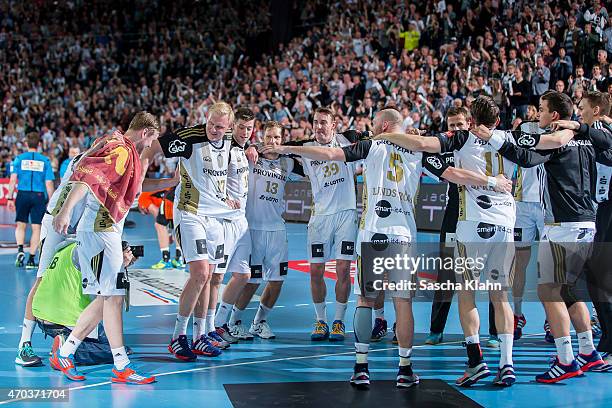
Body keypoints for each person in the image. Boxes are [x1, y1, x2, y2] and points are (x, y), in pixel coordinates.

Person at [261, 108, 512, 389]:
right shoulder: (419, 150)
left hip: (372, 233)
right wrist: (492, 182)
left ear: (382, 126)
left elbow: (331, 155)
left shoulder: (372, 145)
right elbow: (455, 174)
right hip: (403, 235)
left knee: (366, 301)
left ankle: (361, 367)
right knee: (402, 302)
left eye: (373, 124)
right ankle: (405, 369)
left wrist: (284, 147)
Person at [471, 90, 610, 382]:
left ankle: (566, 360)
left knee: (548, 291)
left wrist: (492, 137)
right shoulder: (586, 138)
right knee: (569, 290)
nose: (538, 115)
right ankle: (588, 351)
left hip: (563, 225)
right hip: (588, 221)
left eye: (542, 110)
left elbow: (524, 158)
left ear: (555, 115)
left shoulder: (558, 136)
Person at [49, 112, 171, 384]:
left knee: (106, 297)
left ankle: (66, 352)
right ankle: (121, 365)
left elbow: (136, 187)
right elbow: (86, 179)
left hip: (107, 231)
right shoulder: (120, 151)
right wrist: (66, 211)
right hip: (99, 230)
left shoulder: (123, 149)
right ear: (145, 133)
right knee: (114, 296)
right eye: (152, 139)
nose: (152, 144)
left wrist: (170, 183)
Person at [156, 102, 237, 361]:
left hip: (216, 216)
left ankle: (200, 335)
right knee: (200, 273)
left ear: (229, 128)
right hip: (190, 212)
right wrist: (138, 178)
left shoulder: (231, 143)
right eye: (211, 123)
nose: (213, 129)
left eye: (220, 126)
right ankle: (178, 337)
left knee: (210, 275)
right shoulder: (190, 137)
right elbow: (152, 148)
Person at [230, 121, 304, 339]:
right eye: (269, 137)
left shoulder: (288, 163)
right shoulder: (251, 156)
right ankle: (233, 322)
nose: (273, 142)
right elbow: (234, 150)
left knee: (277, 280)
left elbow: (312, 161)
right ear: (262, 138)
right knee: (251, 281)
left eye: (278, 138)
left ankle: (259, 322)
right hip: (253, 228)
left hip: (277, 229)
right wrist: (249, 147)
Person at [15, 149, 86, 367]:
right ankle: (24, 344)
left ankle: (74, 338)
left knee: (78, 281)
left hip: (74, 225)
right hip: (57, 221)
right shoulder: (89, 159)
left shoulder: (95, 158)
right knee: (43, 280)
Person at [300, 106, 361, 342]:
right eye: (315, 122)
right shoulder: (305, 149)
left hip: (346, 215)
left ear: (334, 125)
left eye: (324, 122)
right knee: (316, 271)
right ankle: (320, 321)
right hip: (320, 218)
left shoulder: (349, 140)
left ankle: (338, 321)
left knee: (344, 270)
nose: (318, 126)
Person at [33, 240, 139, 365]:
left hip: (41, 312)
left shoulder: (69, 246)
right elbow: (106, 293)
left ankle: (67, 343)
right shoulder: (91, 252)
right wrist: (119, 265)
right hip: (66, 316)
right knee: (118, 350)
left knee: (110, 340)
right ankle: (66, 347)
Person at [209, 107, 255, 345]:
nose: (245, 132)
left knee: (243, 274)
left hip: (241, 220)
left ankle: (220, 322)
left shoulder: (245, 148)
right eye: (241, 127)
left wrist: (251, 147)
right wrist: (222, 198)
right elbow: (210, 177)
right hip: (223, 220)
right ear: (232, 126)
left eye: (249, 128)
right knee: (215, 277)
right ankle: (208, 329)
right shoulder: (222, 147)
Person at [7, 132, 55, 268]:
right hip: (38, 196)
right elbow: (49, 184)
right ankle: (31, 259)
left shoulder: (19, 159)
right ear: (39, 145)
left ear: (26, 144)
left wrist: (10, 197)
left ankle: (20, 250)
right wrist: (51, 201)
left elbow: (12, 180)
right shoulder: (45, 161)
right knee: (36, 228)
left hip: (22, 194)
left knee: (20, 225)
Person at [137, 188, 183, 269]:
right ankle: (180, 259)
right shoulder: (150, 194)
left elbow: (156, 213)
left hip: (170, 198)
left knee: (159, 225)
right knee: (177, 225)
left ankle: (166, 260)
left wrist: (167, 234)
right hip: (179, 194)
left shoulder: (142, 200)